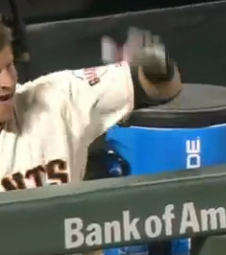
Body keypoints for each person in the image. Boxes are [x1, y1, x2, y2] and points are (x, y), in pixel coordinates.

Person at [0, 27, 182, 191]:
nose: (7, 82)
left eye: (9, 66)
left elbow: (163, 87)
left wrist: (153, 63)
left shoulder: (55, 98)